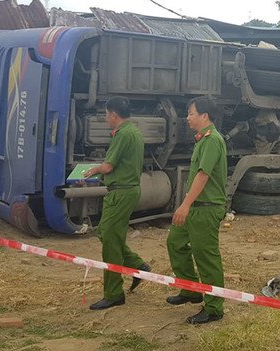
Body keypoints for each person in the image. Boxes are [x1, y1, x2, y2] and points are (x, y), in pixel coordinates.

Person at [83, 97, 151, 310]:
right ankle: (139, 266)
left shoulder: (123, 134)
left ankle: (113, 293)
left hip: (120, 192)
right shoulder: (134, 131)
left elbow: (109, 166)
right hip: (126, 191)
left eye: (106, 114)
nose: (105, 118)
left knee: (110, 239)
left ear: (113, 114)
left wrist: (93, 169)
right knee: (107, 233)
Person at [166, 96, 227, 324]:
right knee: (176, 243)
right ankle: (190, 289)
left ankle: (214, 307)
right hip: (196, 208)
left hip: (205, 208)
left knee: (206, 257)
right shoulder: (202, 140)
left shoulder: (211, 140)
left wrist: (185, 204)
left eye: (191, 113)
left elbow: (203, 175)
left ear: (204, 116)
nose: (187, 118)